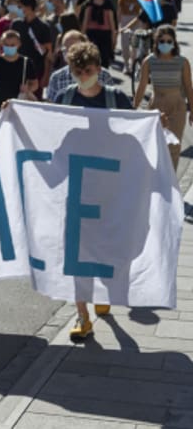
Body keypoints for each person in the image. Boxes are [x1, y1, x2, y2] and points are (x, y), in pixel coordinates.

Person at [50, 41, 132, 340]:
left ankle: (104, 292)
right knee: (77, 255)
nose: (82, 76)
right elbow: (45, 127)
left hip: (109, 188)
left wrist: (154, 122)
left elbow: (135, 134)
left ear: (98, 69)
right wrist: (16, 111)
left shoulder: (116, 98)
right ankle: (82, 315)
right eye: (76, 71)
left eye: (86, 71)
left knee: (106, 248)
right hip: (77, 189)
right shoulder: (65, 97)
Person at [133, 25, 193, 170]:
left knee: (173, 146)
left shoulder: (182, 62)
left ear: (174, 42)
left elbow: (188, 86)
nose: (165, 44)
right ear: (156, 42)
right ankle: (156, 179)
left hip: (177, 107)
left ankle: (171, 182)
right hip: (156, 106)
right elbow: (141, 87)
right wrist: (133, 108)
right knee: (155, 144)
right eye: (162, 41)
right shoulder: (149, 61)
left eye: (168, 41)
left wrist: (192, 109)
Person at [0, 30, 39, 121]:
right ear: (2, 44)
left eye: (12, 45)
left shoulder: (26, 62)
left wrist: (27, 89)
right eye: (6, 45)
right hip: (0, 106)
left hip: (20, 106)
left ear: (19, 44)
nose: (9, 47)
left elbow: (35, 84)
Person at [45, 31, 115, 103]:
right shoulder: (56, 78)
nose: (70, 52)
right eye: (65, 49)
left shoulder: (104, 75)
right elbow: (51, 106)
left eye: (74, 47)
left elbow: (111, 99)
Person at [81, 0, 116, 68]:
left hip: (105, 34)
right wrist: (82, 35)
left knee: (104, 58)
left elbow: (112, 23)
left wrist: (113, 38)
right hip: (92, 33)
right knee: (91, 57)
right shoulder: (89, 4)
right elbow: (85, 21)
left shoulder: (108, 5)